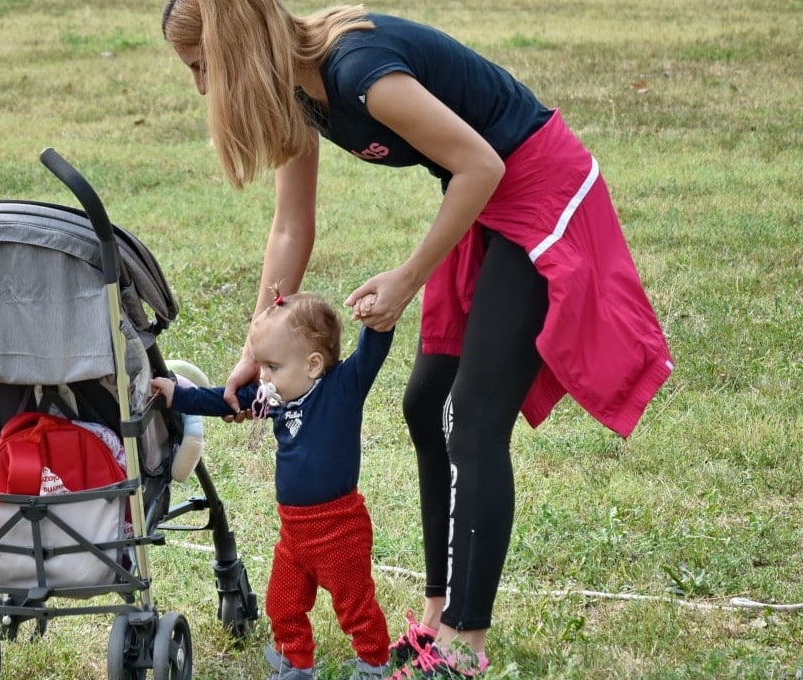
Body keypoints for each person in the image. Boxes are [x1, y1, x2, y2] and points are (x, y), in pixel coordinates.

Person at [160, 1, 675, 677]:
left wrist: (408, 278)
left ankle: (466, 642)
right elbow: (291, 227)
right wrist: (256, 349)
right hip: (485, 198)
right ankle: (438, 615)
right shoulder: (301, 93)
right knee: (425, 404)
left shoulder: (357, 73)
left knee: (472, 418)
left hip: (539, 190)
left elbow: (482, 165)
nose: (202, 88)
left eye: (202, 68)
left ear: (234, 51)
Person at [152, 289, 395, 680]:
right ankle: (296, 664)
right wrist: (178, 395)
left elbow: (372, 351)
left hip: (339, 530)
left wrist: (377, 319)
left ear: (314, 364)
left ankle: (374, 661)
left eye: (272, 367)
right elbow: (224, 400)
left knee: (355, 604)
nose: (262, 376)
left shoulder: (343, 388)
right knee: (282, 602)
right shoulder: (275, 397)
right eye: (262, 365)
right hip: (294, 533)